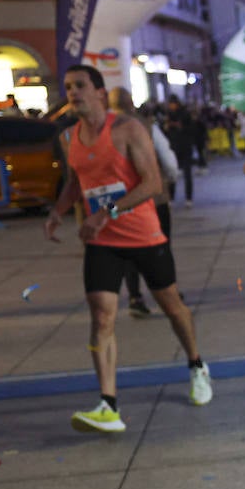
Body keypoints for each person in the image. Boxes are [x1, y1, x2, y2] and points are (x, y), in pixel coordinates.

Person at [43, 65, 212, 432]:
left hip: (143, 235)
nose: (73, 93)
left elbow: (153, 183)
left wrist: (107, 212)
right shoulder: (69, 137)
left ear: (100, 93)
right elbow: (76, 180)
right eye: (68, 86)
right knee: (102, 316)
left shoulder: (127, 129)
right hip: (103, 241)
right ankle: (108, 405)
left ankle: (197, 365)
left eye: (81, 86)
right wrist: (57, 212)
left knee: (172, 307)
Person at [107, 88, 178, 318]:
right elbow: (167, 159)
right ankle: (169, 291)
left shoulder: (102, 129)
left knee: (128, 250)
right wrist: (170, 179)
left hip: (123, 200)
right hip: (152, 198)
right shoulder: (147, 125)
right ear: (131, 102)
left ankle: (135, 297)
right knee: (161, 245)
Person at [161, 96, 197, 208]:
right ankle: (171, 197)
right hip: (174, 147)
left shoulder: (185, 114)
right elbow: (165, 131)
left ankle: (188, 198)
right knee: (172, 173)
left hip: (185, 147)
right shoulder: (168, 115)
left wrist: (178, 126)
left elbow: (191, 129)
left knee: (187, 174)